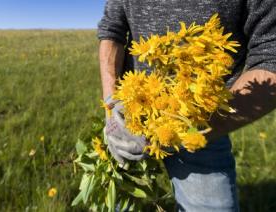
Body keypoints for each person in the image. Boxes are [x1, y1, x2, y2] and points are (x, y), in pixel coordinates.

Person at [98, 0, 276, 211]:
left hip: (206, 126)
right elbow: (111, 29)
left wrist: (188, 131)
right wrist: (111, 105)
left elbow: (270, 56)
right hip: (127, 115)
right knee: (117, 200)